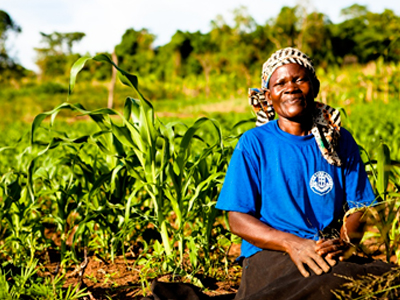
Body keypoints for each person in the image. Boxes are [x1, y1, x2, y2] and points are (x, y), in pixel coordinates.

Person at [215, 47, 394, 300]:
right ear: (268, 95)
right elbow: (237, 218)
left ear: (315, 85)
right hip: (271, 254)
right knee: (329, 285)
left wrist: (343, 243)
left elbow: (360, 207)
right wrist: (293, 244)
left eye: (299, 79)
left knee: (384, 280)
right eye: (280, 83)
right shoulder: (255, 143)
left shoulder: (340, 141)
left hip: (326, 251)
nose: (291, 87)